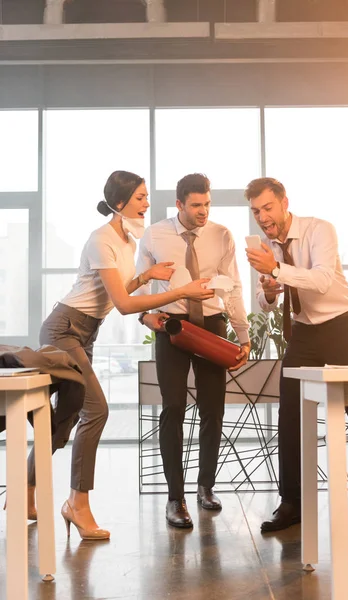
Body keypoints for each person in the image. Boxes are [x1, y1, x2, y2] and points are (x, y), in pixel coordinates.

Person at [27, 170, 214, 540]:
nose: (147, 203)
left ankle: (24, 488)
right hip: (64, 329)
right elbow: (125, 304)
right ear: (119, 203)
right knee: (96, 410)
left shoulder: (126, 240)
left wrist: (147, 277)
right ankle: (77, 505)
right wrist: (182, 292)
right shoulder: (101, 240)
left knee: (64, 421)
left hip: (85, 332)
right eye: (141, 197)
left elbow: (118, 288)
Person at [245, 177, 348, 535]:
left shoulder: (319, 230)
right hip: (304, 333)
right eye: (256, 211)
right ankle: (292, 503)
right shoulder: (268, 247)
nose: (263, 217)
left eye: (267, 207)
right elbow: (265, 306)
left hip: (341, 326)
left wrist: (275, 270)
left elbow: (322, 280)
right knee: (290, 415)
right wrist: (269, 290)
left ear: (284, 202)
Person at [136, 173, 250, 529]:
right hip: (172, 327)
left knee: (212, 409)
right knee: (173, 408)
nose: (204, 211)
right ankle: (175, 497)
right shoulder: (154, 234)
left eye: (207, 204)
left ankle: (206, 486)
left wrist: (243, 333)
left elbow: (232, 288)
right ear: (180, 204)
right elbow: (140, 284)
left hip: (212, 327)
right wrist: (144, 316)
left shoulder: (221, 235)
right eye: (196, 205)